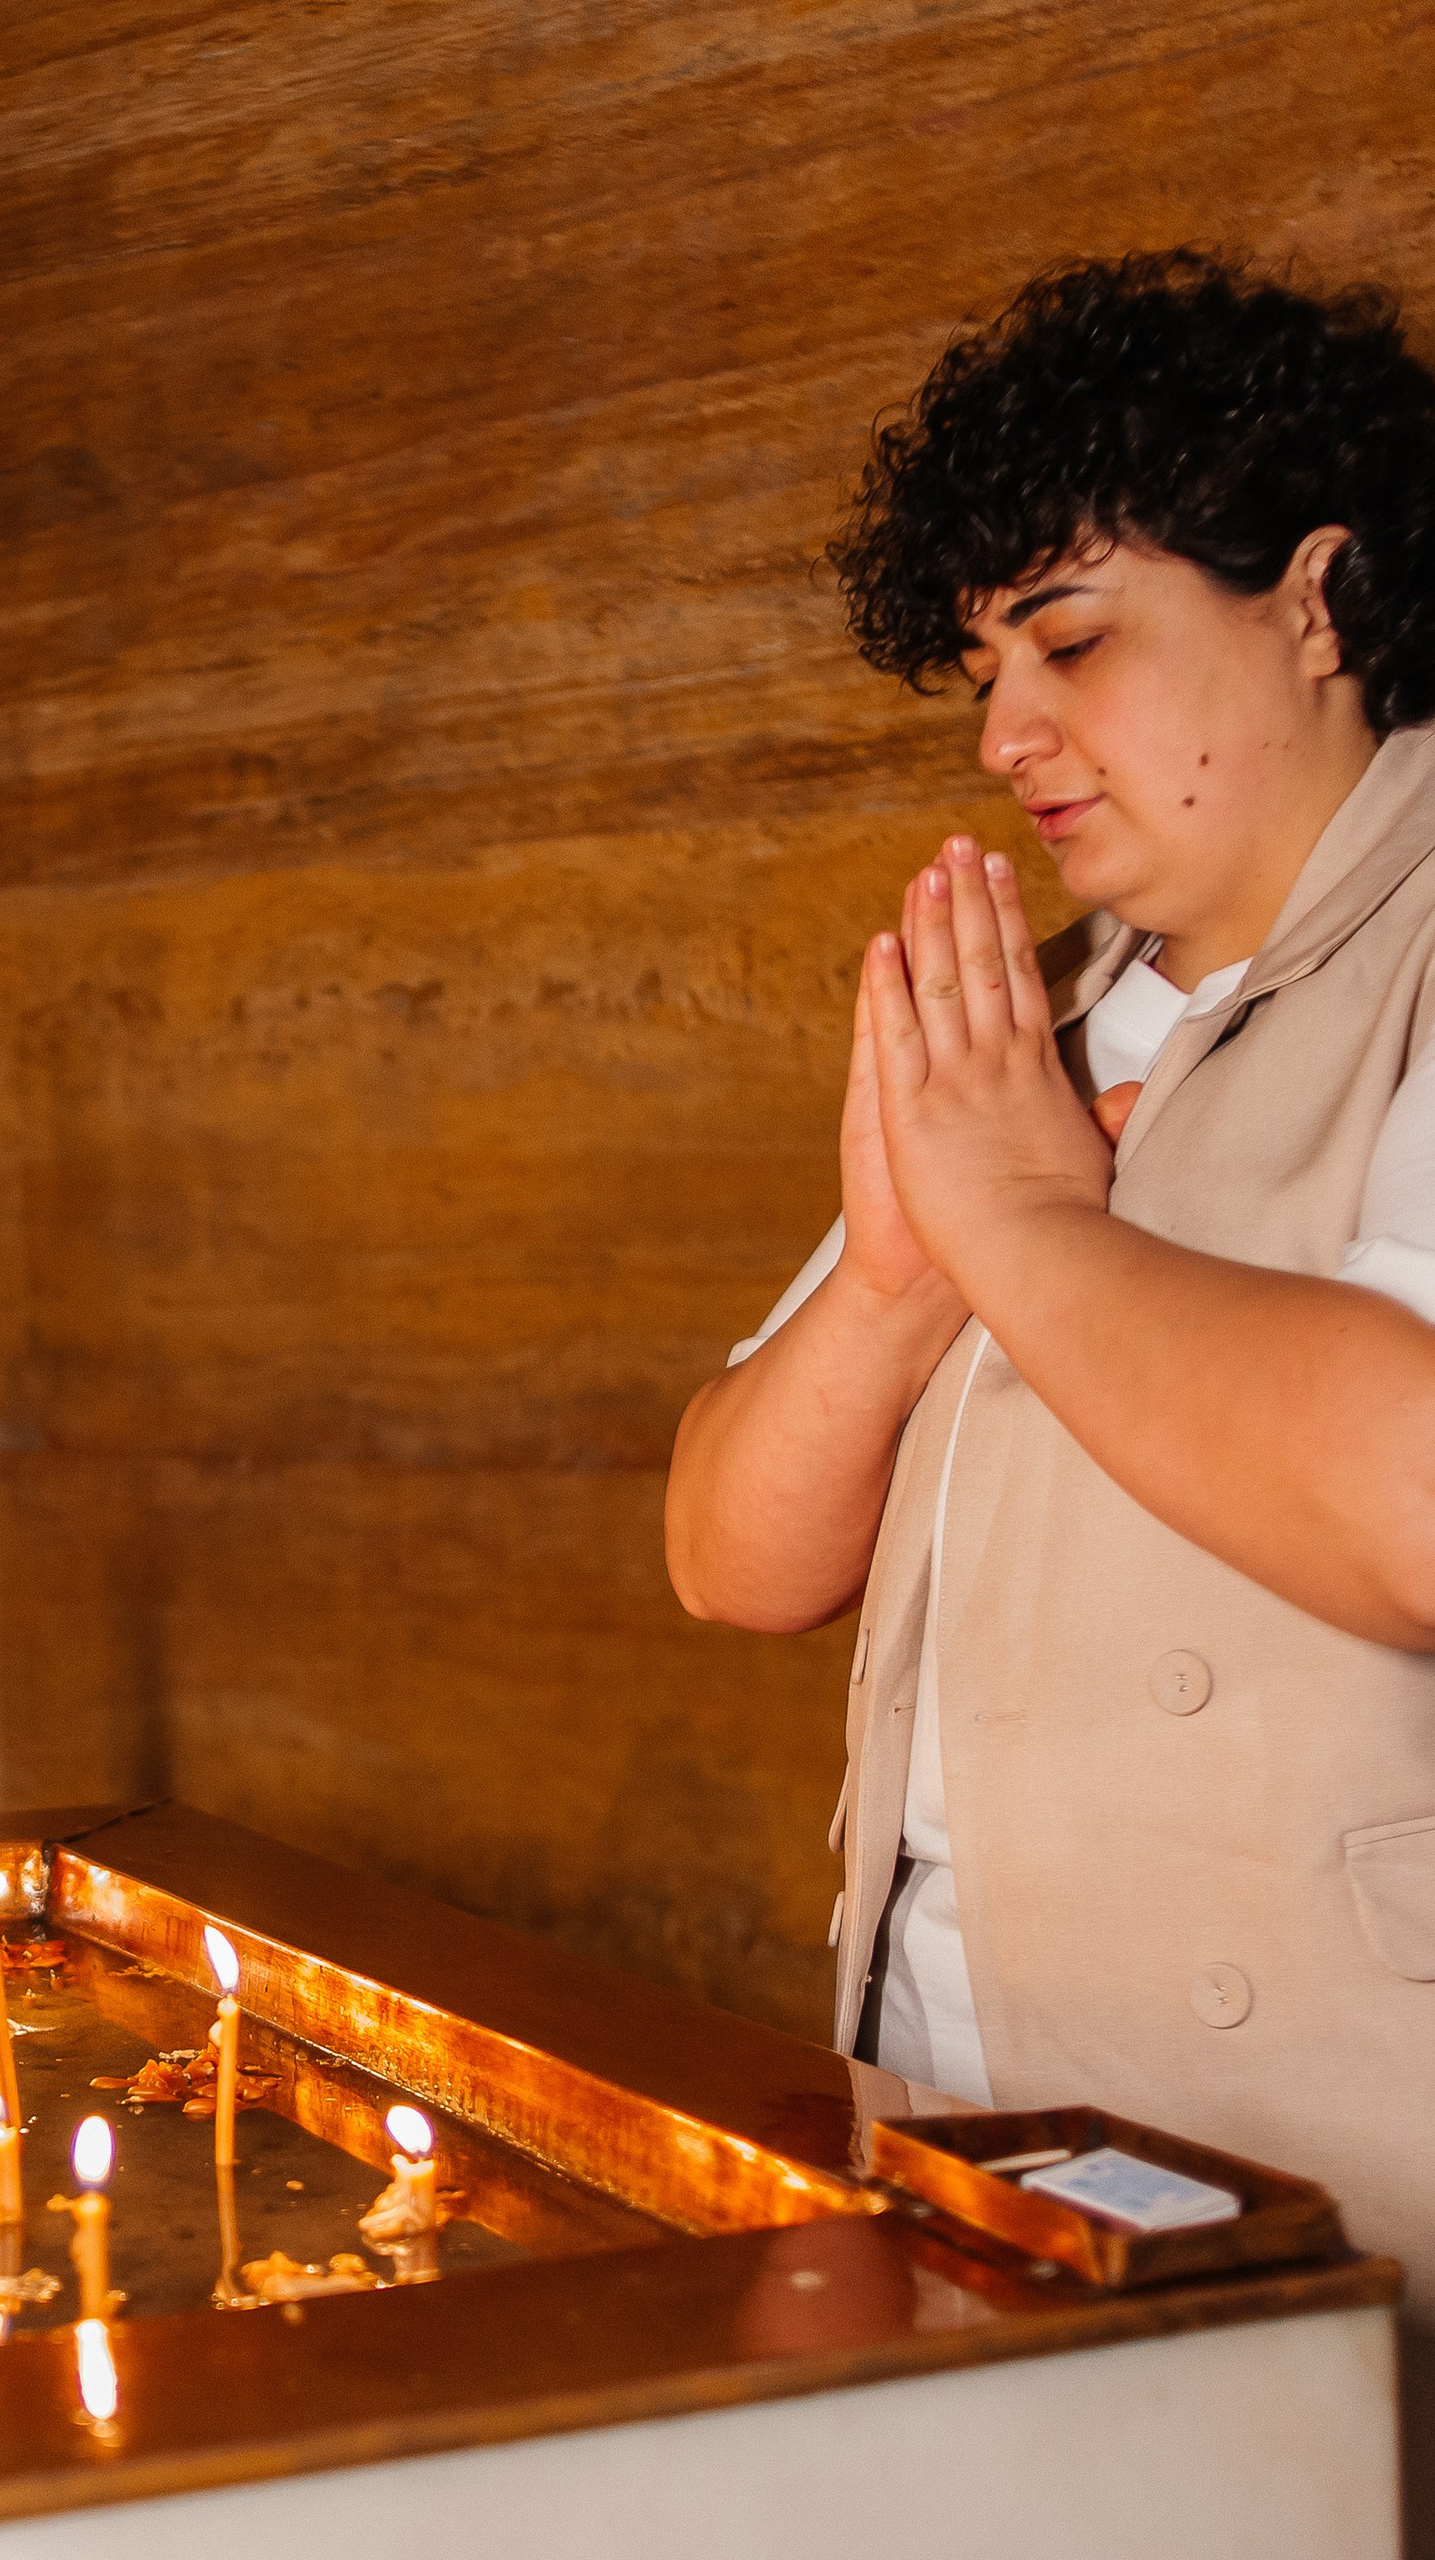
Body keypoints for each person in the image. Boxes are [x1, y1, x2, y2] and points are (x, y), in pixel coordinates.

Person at [665, 250, 1435, 2527]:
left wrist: (1023, 1233)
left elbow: (1405, 1503)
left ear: (1310, 600)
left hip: (1332, 2146)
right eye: (983, 669)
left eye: (1070, 640)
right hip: (959, 2122)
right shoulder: (1049, 1008)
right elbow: (723, 1549)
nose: (1005, 737)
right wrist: (903, 1271)